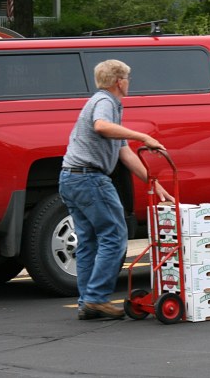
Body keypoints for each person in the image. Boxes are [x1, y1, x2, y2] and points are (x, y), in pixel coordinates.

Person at [60, 59, 173, 320]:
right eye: (128, 79)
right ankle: (96, 298)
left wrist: (153, 182)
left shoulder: (106, 105)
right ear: (119, 82)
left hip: (70, 177)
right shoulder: (106, 102)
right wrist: (144, 136)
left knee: (88, 241)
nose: (129, 84)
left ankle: (87, 302)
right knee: (114, 235)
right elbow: (101, 126)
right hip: (89, 178)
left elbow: (124, 153)